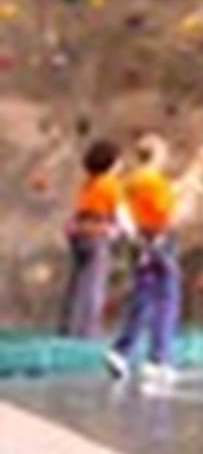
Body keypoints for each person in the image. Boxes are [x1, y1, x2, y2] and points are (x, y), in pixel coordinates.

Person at [105, 133, 203, 387]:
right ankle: (158, 359)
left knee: (143, 298)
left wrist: (195, 172)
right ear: (157, 155)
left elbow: (171, 191)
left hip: (140, 243)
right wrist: (193, 187)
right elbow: (172, 215)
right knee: (166, 300)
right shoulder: (152, 182)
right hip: (159, 242)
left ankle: (121, 351)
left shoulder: (131, 182)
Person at [59, 138, 123, 338]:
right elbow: (119, 213)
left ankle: (68, 325)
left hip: (79, 235)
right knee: (93, 285)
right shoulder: (110, 184)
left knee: (76, 283)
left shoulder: (89, 183)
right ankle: (88, 330)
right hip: (97, 237)